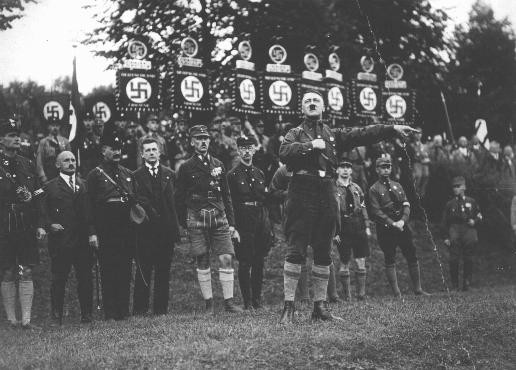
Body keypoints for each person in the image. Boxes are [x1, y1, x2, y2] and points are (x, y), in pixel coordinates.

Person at [278, 91, 418, 323]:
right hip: (301, 193)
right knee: (296, 249)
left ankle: (320, 307)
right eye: (307, 102)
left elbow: (363, 134)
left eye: (316, 101)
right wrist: (311, 145)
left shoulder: (333, 134)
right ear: (301, 109)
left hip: (327, 194)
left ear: (323, 107)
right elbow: (283, 153)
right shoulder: (294, 133)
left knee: (324, 250)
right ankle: (288, 308)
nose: (312, 104)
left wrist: (392, 128)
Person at [175, 125, 242, 313]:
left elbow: (227, 194)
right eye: (198, 138)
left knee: (226, 257)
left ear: (209, 141)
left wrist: (232, 222)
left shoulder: (219, 164)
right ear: (192, 142)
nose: (203, 142)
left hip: (219, 216)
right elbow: (179, 197)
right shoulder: (186, 167)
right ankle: (209, 304)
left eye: (205, 138)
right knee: (202, 259)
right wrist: (184, 223)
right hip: (196, 217)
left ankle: (228, 302)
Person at [39, 151, 98, 324]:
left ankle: (86, 315)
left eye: (73, 160)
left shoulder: (84, 185)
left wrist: (92, 233)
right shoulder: (49, 187)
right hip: (61, 241)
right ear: (58, 165)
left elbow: (90, 213)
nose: (71, 163)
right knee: (59, 279)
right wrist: (50, 225)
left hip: (82, 241)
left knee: (85, 278)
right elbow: (42, 212)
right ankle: (56, 316)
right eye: (66, 160)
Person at [0, 118, 46, 329]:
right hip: (3, 224)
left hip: (26, 223)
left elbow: (38, 195)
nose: (16, 138)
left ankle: (26, 320)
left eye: (17, 135)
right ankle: (11, 319)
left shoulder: (27, 163)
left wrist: (39, 224)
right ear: (1, 140)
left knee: (26, 269)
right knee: (8, 269)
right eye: (11, 135)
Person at [86, 128, 135, 321]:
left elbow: (133, 200)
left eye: (119, 148)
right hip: (105, 226)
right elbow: (88, 206)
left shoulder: (127, 173)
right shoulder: (94, 175)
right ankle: (111, 310)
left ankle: (123, 309)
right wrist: (92, 232)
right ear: (102, 151)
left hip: (126, 225)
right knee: (108, 268)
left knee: (125, 267)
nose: (117, 152)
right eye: (112, 148)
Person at [369, 154, 430, 298]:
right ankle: (397, 293)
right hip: (386, 228)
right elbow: (376, 211)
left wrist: (403, 220)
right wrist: (392, 223)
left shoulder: (397, 185)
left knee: (411, 254)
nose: (386, 170)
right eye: (382, 167)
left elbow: (406, 204)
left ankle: (418, 289)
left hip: (402, 225)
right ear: (377, 169)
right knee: (390, 257)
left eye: (388, 166)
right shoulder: (374, 189)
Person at [132, 138, 180, 315]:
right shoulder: (136, 176)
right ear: (142, 154)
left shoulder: (170, 174)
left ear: (159, 152)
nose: (152, 153)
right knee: (143, 270)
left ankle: (161, 309)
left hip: (166, 231)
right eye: (148, 150)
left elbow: (177, 202)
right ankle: (140, 309)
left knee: (163, 270)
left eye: (154, 149)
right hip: (145, 231)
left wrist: (176, 228)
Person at [227, 137, 273, 309]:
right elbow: (230, 202)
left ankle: (257, 301)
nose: (246, 151)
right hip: (243, 219)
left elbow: (265, 199)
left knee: (259, 260)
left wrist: (268, 224)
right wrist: (234, 227)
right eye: (243, 148)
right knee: (245, 261)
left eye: (249, 148)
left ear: (254, 150)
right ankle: (247, 302)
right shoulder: (232, 175)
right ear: (238, 151)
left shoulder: (259, 173)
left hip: (260, 218)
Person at [332, 158, 371, 301]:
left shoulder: (357, 188)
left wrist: (366, 226)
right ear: (337, 170)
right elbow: (331, 212)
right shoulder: (333, 188)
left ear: (351, 171)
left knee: (361, 259)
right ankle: (347, 295)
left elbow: (363, 207)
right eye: (342, 167)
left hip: (358, 224)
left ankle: (361, 294)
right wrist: (334, 232)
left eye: (348, 167)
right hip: (343, 226)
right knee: (344, 260)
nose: (345, 170)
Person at [442, 176, 482, 291]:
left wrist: (474, 221)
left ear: (464, 187)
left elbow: (479, 215)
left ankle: (466, 284)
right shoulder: (450, 204)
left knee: (469, 258)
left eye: (458, 186)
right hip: (454, 230)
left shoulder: (471, 201)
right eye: (454, 187)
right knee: (454, 259)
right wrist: (445, 236)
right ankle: (455, 286)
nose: (455, 189)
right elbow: (444, 221)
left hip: (469, 231)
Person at [36, 116, 71, 183]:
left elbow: (70, 159)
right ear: (48, 127)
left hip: (63, 175)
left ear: (60, 127)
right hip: (49, 175)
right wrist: (43, 177)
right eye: (52, 125)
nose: (55, 128)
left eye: (57, 125)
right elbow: (39, 161)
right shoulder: (43, 142)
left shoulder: (65, 142)